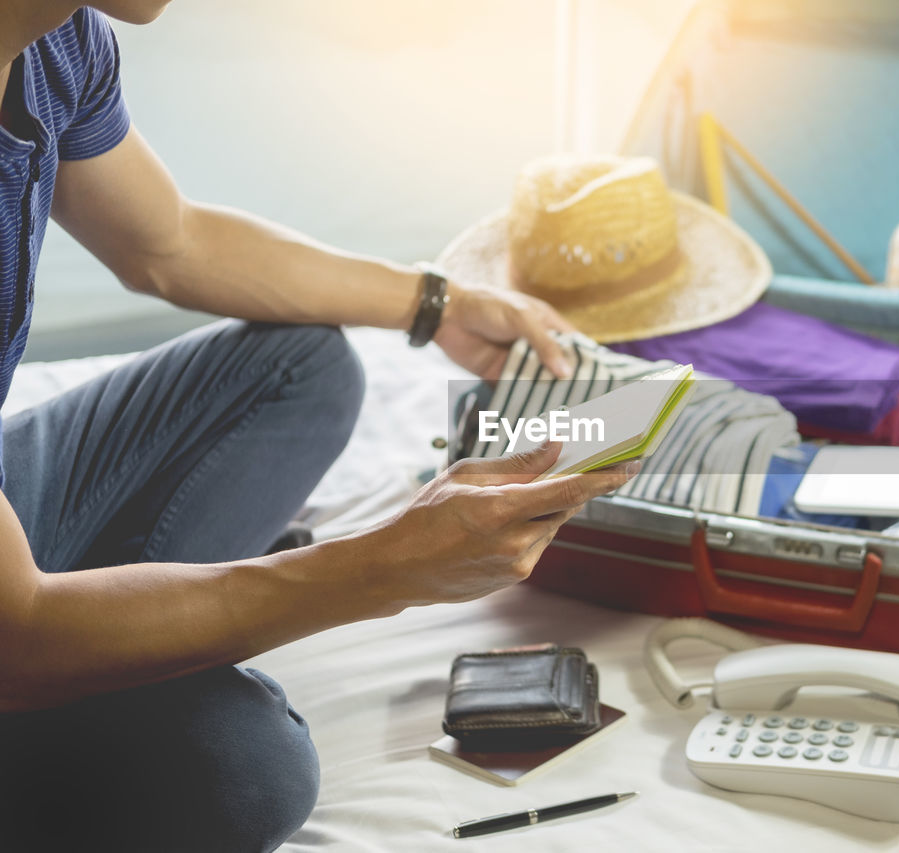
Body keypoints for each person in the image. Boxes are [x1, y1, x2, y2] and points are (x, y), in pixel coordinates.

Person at [0, 2, 637, 850]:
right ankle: (111, 646)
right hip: (15, 629)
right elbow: (18, 636)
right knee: (247, 771)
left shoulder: (58, 39)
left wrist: (435, 301)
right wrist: (381, 568)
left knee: (304, 365)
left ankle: (119, 631)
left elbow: (170, 242)